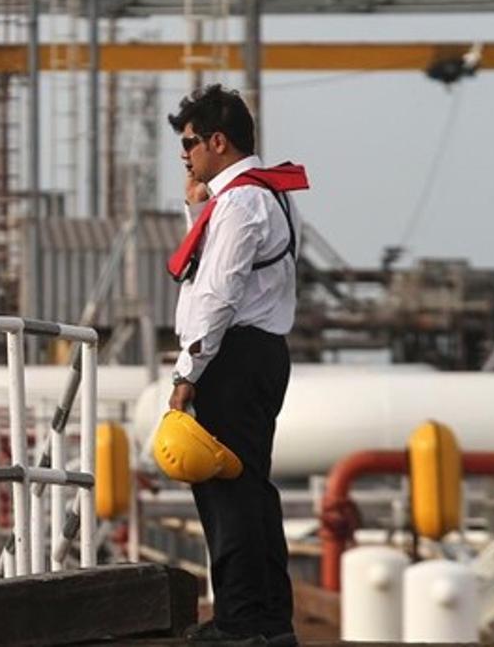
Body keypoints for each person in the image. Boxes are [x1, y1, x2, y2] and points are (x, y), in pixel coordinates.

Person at [165, 84, 308, 646]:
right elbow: (218, 269)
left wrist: (187, 373)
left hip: (234, 356)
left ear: (217, 141)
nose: (185, 154)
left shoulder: (243, 202)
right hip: (258, 354)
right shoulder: (263, 194)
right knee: (250, 490)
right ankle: (266, 620)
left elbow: (216, 294)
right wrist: (197, 206)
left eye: (190, 142)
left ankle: (241, 622)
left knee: (227, 495)